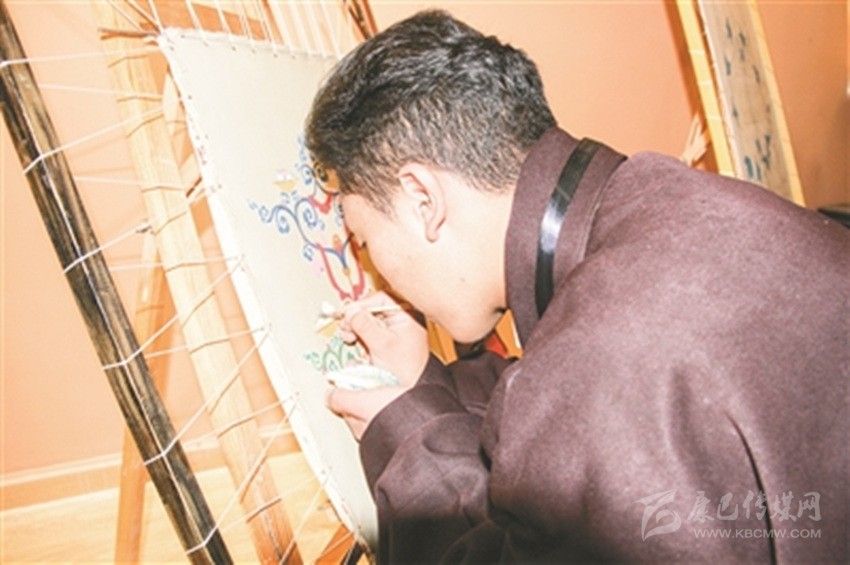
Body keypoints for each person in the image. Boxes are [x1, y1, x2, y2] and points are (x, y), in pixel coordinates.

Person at [305, 9, 849, 563]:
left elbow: (586, 399)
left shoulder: (598, 366)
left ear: (423, 200)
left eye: (365, 242)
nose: (379, 276)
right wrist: (423, 390)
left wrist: (405, 438)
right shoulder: (665, 195)